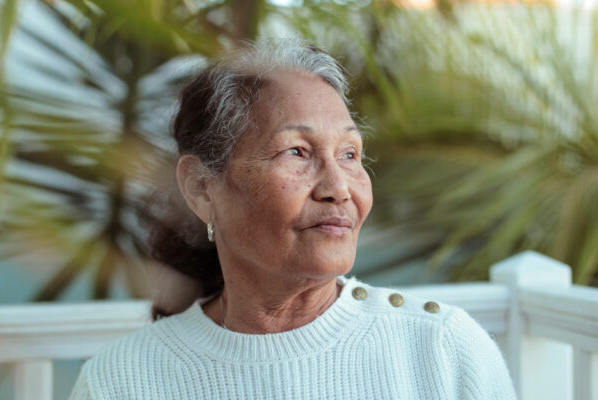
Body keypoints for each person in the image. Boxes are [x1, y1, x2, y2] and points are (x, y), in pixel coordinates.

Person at [70, 39, 517, 400]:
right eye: (297, 152)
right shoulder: (121, 381)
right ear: (202, 188)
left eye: (349, 154)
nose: (339, 187)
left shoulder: (441, 349)